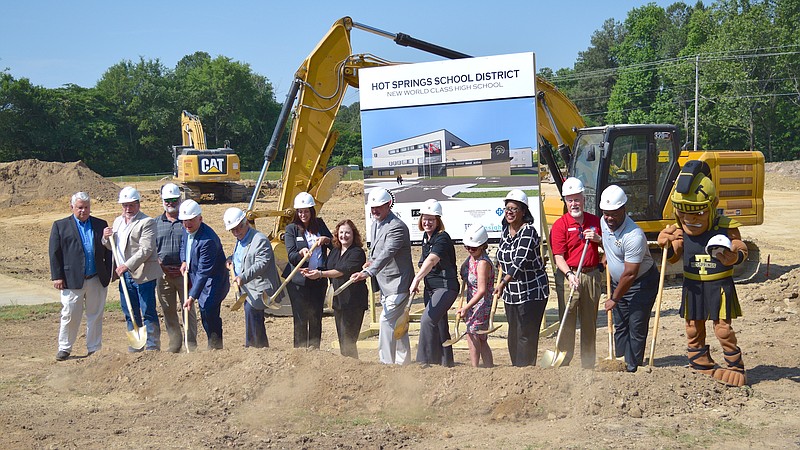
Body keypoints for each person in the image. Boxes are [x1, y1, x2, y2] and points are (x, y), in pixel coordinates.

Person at [658, 161, 749, 387]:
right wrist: (667, 247)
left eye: (698, 213)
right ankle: (699, 362)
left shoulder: (724, 226)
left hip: (719, 285)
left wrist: (734, 255)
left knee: (723, 329)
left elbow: (740, 246)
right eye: (683, 213)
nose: (691, 220)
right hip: (693, 285)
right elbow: (674, 258)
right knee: (692, 327)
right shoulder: (679, 231)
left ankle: (735, 366)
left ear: (711, 206)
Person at [350, 187, 414, 365]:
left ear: (388, 205)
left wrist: (367, 272)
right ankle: (403, 363)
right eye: (372, 207)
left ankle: (386, 364)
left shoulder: (397, 227)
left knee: (386, 321)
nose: (374, 210)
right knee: (398, 324)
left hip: (398, 283)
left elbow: (388, 252)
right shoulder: (376, 223)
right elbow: (377, 251)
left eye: (378, 207)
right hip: (385, 284)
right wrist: (370, 261)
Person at [599, 185, 659, 373]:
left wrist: (614, 299)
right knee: (620, 324)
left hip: (641, 284)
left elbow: (630, 273)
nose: (609, 218)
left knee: (636, 324)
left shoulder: (634, 235)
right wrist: (607, 254)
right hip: (620, 282)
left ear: (624, 209)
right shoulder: (604, 221)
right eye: (606, 213)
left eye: (614, 214)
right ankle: (619, 362)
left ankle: (633, 368)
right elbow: (607, 240)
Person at [49, 192, 113, 361]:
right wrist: (57, 276)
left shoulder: (100, 225)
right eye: (79, 207)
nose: (83, 211)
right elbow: (54, 253)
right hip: (72, 280)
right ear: (72, 207)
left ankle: (94, 348)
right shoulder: (60, 226)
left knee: (95, 314)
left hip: (96, 278)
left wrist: (109, 272)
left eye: (86, 207)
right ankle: (64, 348)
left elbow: (108, 251)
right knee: (70, 314)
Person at [549, 177, 603, 369]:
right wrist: (570, 275)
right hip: (569, 276)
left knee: (589, 322)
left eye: (577, 199)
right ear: (565, 201)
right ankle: (563, 363)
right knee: (567, 321)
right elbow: (559, 257)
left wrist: (598, 238)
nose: (574, 204)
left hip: (591, 275)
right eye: (570, 200)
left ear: (583, 198)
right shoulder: (560, 225)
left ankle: (588, 364)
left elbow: (609, 246)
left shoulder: (595, 222)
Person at [493, 189, 549, 367]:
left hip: (532, 292)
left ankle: (526, 371)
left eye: (514, 209)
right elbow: (500, 258)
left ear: (523, 211)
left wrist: (502, 283)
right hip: (511, 294)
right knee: (514, 334)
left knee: (526, 334)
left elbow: (519, 261)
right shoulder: (505, 231)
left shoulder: (528, 232)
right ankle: (516, 371)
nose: (509, 212)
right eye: (507, 208)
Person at [103, 186, 162, 351]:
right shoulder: (118, 221)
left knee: (147, 311)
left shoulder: (146, 222)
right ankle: (136, 346)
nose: (128, 209)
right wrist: (105, 237)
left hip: (143, 274)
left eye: (131, 205)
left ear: (138, 204)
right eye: (125, 205)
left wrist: (126, 266)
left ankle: (152, 346)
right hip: (124, 276)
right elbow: (111, 246)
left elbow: (146, 249)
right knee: (130, 312)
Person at [302, 219, 368, 358]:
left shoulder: (357, 253)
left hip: (353, 302)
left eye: (348, 233)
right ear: (337, 234)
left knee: (349, 340)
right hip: (338, 301)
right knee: (342, 339)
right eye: (341, 232)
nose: (344, 236)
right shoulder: (335, 251)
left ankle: (353, 367)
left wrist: (320, 274)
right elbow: (327, 267)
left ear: (354, 234)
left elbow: (340, 271)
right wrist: (311, 271)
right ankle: (347, 367)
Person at [410, 199, 459, 367]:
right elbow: (424, 261)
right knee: (439, 324)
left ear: (438, 220)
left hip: (445, 287)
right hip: (430, 288)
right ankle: (446, 363)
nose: (427, 222)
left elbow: (431, 260)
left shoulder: (442, 238)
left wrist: (416, 278)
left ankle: (425, 361)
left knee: (427, 320)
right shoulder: (426, 237)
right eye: (425, 218)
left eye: (432, 219)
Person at [223, 207, 281, 349]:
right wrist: (231, 259)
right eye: (233, 230)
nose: (236, 233)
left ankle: (257, 349)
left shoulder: (259, 240)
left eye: (238, 229)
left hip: (259, 288)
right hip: (247, 288)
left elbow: (261, 264)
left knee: (252, 313)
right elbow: (241, 256)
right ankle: (254, 347)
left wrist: (242, 277)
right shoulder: (241, 238)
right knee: (251, 316)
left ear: (246, 223)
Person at [283, 192, 332, 349]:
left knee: (316, 316)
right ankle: (300, 351)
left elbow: (334, 245)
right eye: (300, 211)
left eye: (306, 211)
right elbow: (291, 255)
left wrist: (326, 240)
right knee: (301, 317)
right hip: (298, 282)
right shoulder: (291, 229)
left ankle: (314, 350)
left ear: (312, 211)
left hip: (318, 279)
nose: (303, 214)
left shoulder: (320, 224)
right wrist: (301, 253)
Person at [179, 200, 230, 350]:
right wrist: (183, 261)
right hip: (200, 280)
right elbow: (184, 245)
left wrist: (192, 296)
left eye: (191, 220)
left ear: (200, 219)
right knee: (204, 313)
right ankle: (212, 344)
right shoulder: (186, 230)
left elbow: (203, 272)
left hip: (213, 282)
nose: (187, 224)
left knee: (209, 313)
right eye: (185, 221)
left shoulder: (207, 240)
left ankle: (215, 347)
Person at [154, 183, 197, 353]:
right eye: (167, 200)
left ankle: (191, 344)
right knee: (168, 309)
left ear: (180, 199)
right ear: (163, 201)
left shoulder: (187, 221)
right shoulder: (155, 223)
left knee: (188, 308)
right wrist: (160, 264)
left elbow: (194, 246)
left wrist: (185, 265)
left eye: (174, 200)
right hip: (163, 274)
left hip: (184, 273)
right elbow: (151, 248)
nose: (170, 203)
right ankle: (175, 342)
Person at [457, 223, 495, 368]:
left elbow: (482, 290)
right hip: (473, 301)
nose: (469, 250)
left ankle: (475, 368)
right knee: (480, 337)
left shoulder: (483, 263)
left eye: (473, 248)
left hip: (481, 304)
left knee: (472, 334)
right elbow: (464, 270)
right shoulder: (471, 258)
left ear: (482, 246)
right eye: (467, 247)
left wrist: (466, 307)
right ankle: (488, 367)